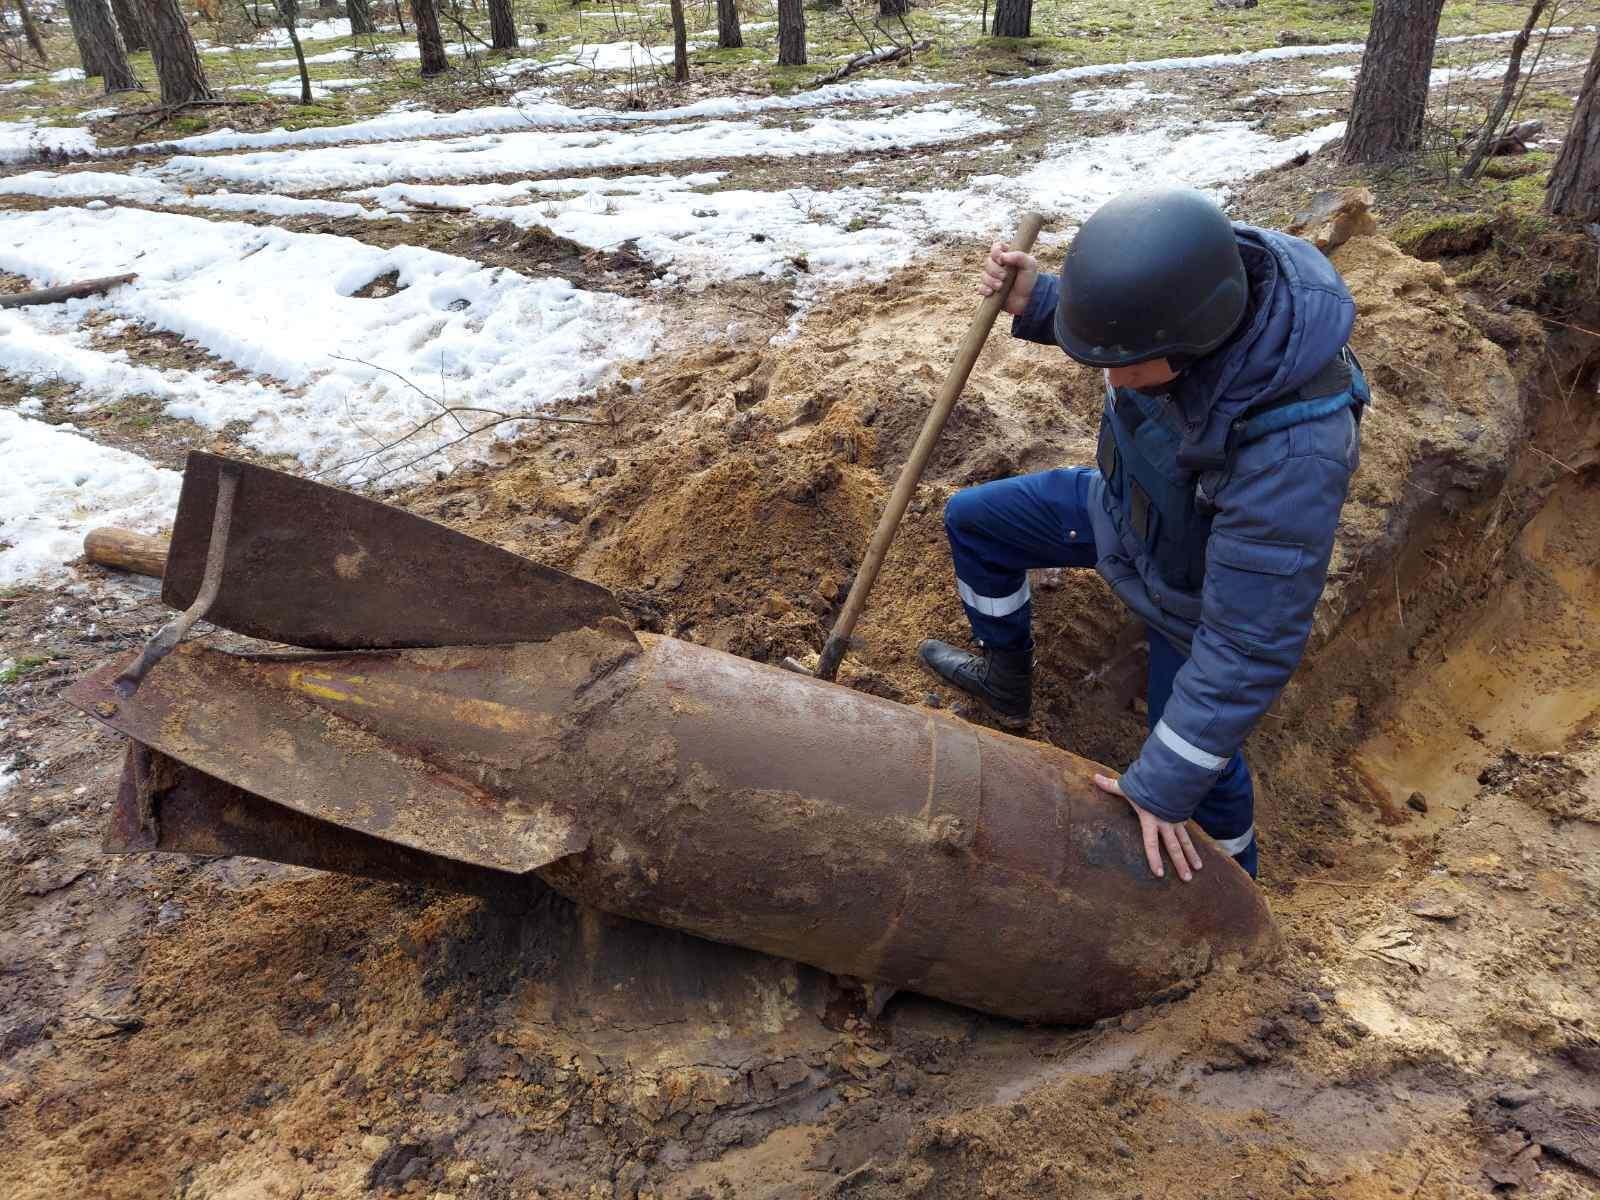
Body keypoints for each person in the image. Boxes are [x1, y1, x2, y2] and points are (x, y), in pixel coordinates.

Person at [919, 187, 1367, 884]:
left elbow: (1248, 646)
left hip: (1195, 605)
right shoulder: (1200, 290)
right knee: (976, 522)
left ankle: (1235, 889)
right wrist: (1044, 302)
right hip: (1124, 513)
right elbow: (1132, 325)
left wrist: (1160, 786)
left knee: (1197, 757)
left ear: (1193, 345)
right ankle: (1006, 683)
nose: (1108, 375)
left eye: (1125, 362)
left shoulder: (1294, 454)